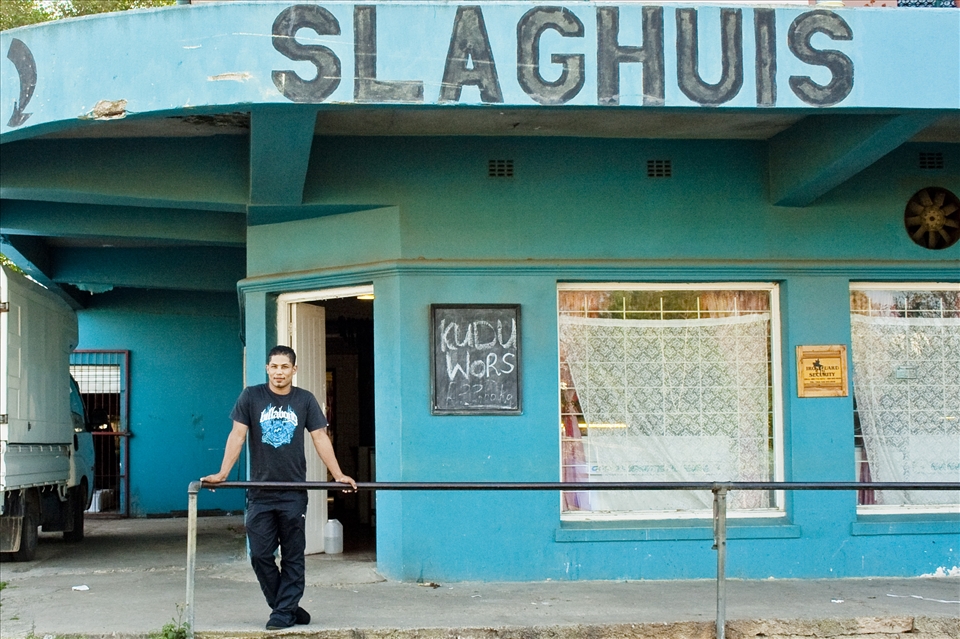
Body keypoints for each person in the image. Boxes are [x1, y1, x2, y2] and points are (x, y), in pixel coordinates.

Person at [202, 345, 356, 630]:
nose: (279, 372)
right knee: (260, 555)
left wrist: (337, 474)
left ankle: (282, 613)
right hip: (260, 492)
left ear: (294, 370)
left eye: (285, 367)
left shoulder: (305, 400)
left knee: (293, 556)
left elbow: (320, 437)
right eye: (274, 366)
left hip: (293, 492)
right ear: (267, 368)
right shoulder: (251, 396)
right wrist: (223, 473)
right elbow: (237, 436)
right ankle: (287, 607)